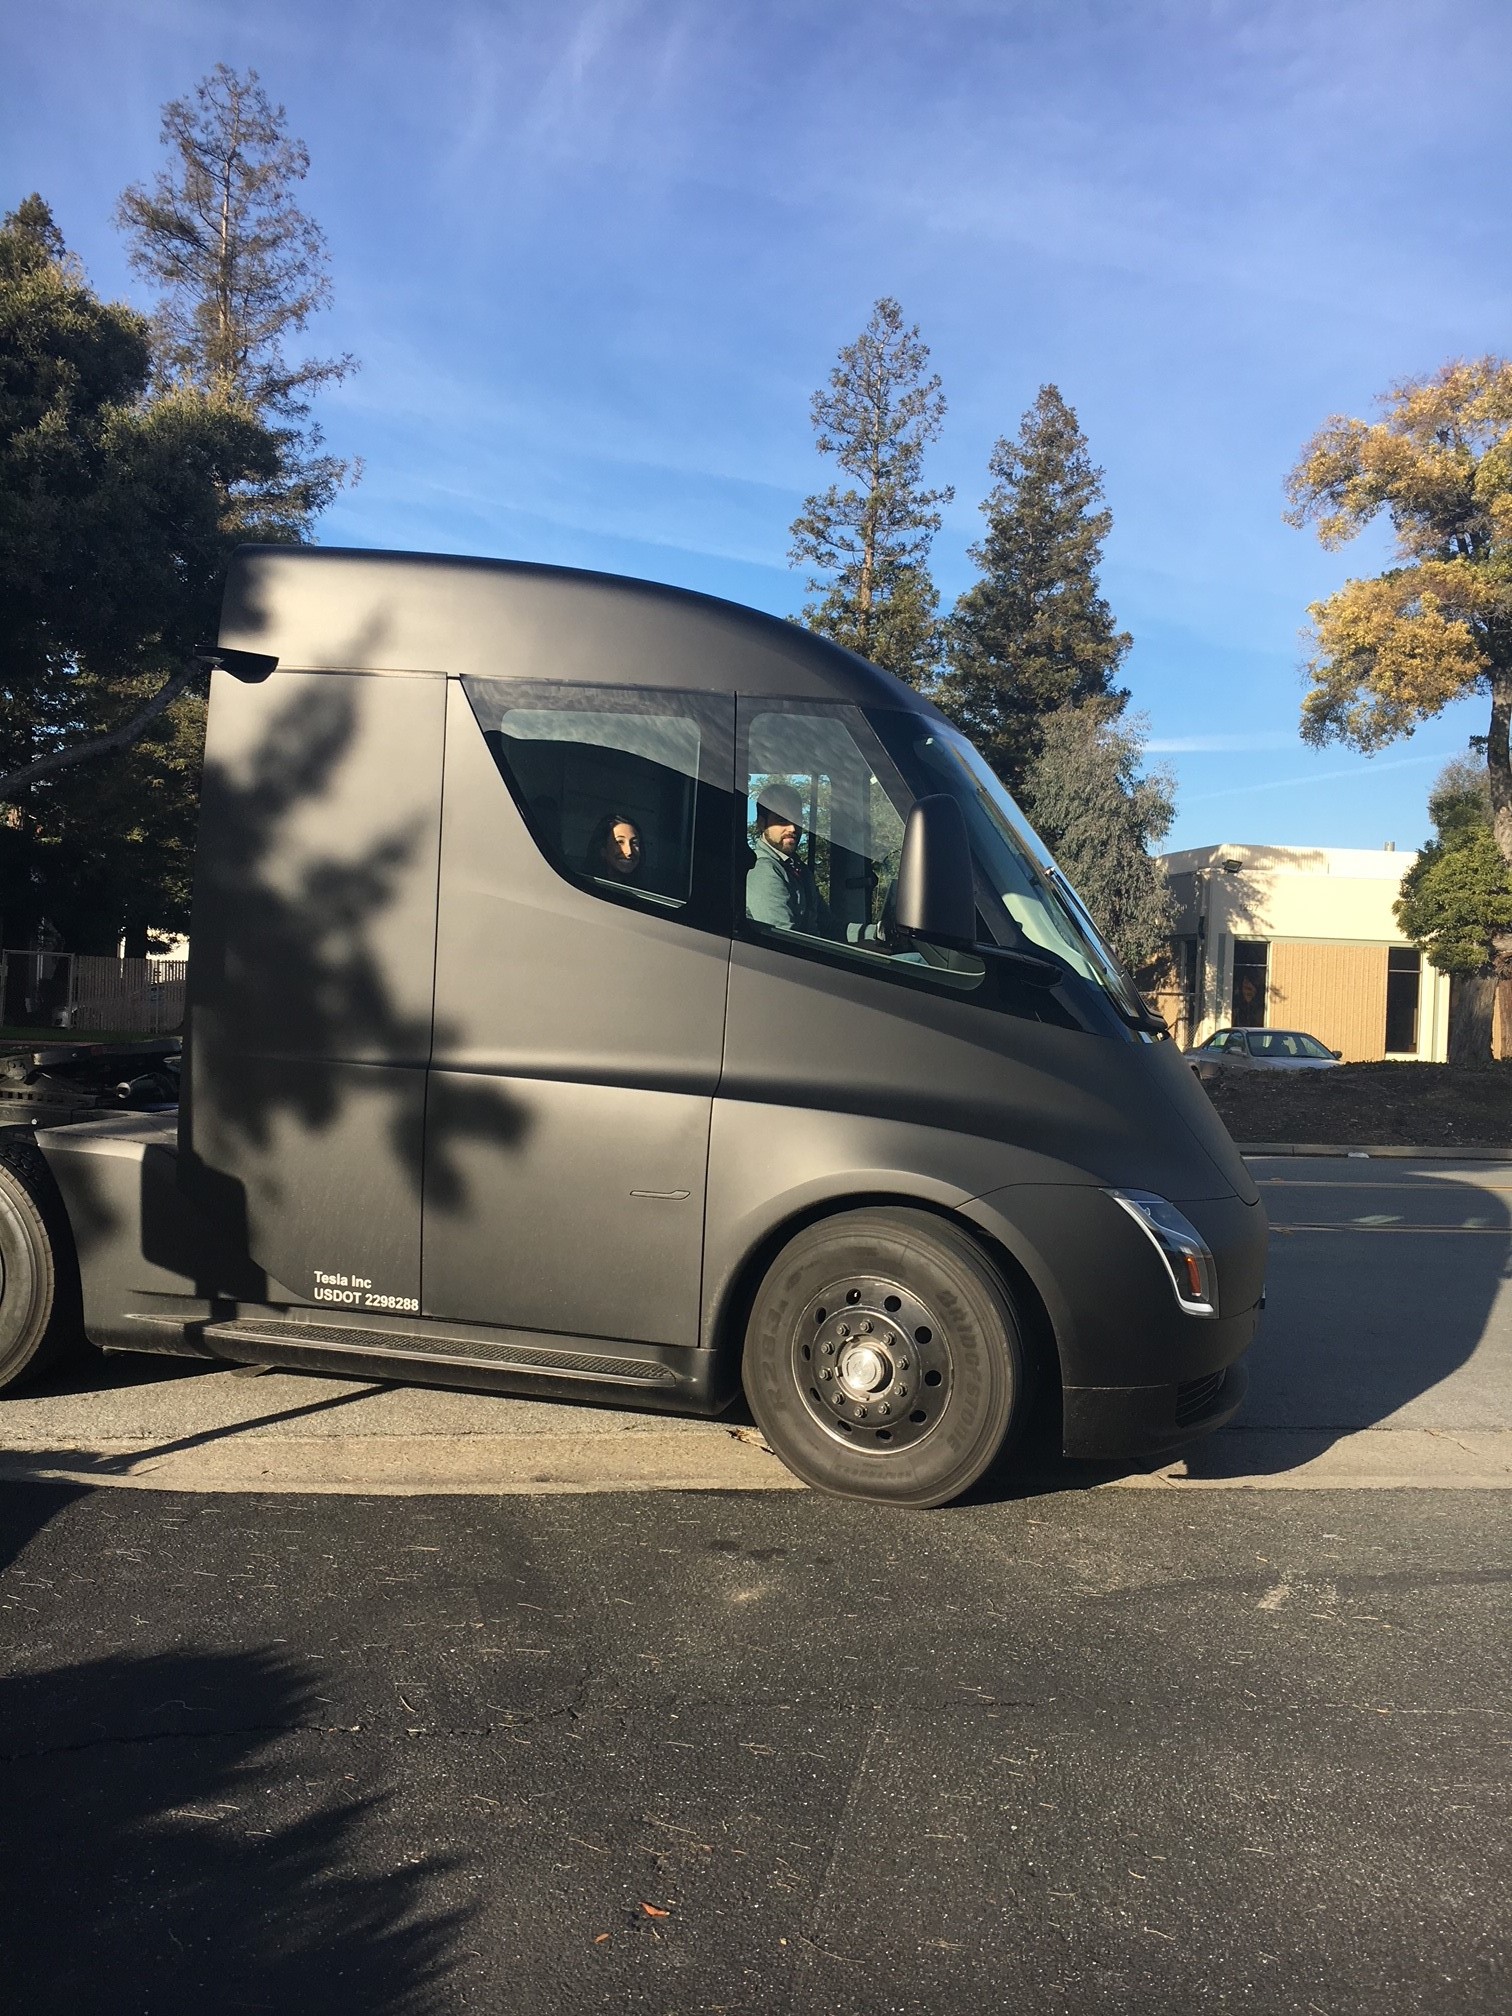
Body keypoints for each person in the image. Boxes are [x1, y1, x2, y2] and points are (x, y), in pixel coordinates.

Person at [746, 782, 828, 933]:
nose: (792, 828)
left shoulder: (799, 870)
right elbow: (784, 939)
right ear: (762, 824)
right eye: (782, 820)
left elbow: (829, 925)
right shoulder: (763, 870)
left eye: (797, 820)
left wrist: (875, 932)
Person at [584, 811, 644, 883]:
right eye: (620, 842)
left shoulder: (646, 890)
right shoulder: (585, 884)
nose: (629, 852)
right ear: (603, 849)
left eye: (634, 843)